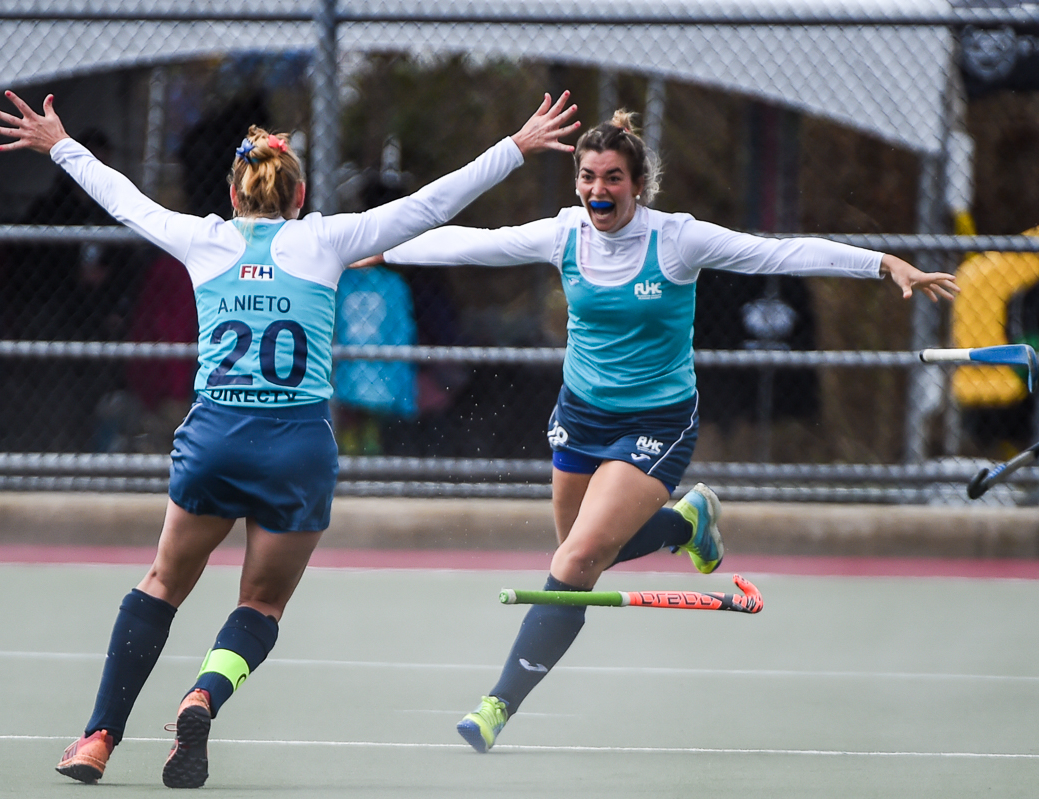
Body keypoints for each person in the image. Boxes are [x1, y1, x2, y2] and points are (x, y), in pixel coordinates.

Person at [0, 88, 579, 787]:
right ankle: (203, 694)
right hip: (296, 445)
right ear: (297, 196)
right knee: (261, 604)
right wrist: (517, 145)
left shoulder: (205, 238)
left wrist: (60, 143)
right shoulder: (325, 240)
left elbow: (124, 199)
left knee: (162, 584)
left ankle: (96, 738)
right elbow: (431, 204)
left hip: (217, 436)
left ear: (235, 196)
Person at [362, 109, 960, 753]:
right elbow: (469, 242)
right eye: (588, 177)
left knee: (572, 562)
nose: (599, 190)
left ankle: (495, 706)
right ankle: (686, 523)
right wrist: (378, 248)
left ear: (638, 185)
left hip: (657, 423)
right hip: (580, 417)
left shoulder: (677, 241)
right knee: (578, 563)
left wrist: (883, 263)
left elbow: (777, 253)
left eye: (613, 178)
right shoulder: (566, 235)